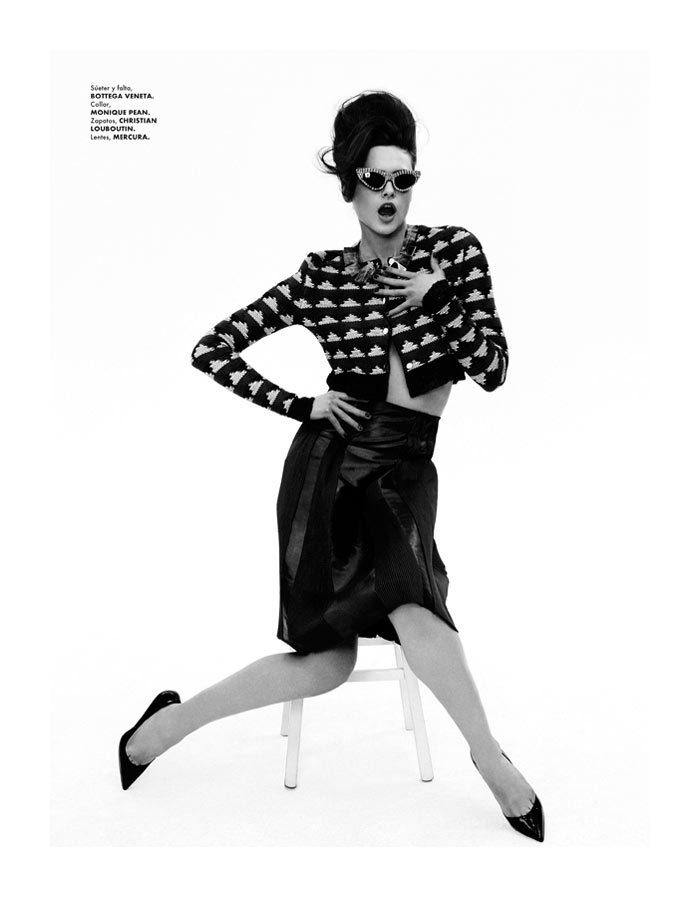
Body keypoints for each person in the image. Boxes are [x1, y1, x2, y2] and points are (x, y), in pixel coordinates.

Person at [118, 90, 544, 842]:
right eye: (373, 179)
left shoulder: (454, 253)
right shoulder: (321, 276)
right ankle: (163, 729)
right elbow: (212, 349)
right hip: (330, 470)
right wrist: (301, 405)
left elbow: (494, 370)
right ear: (349, 183)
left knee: (413, 602)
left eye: (403, 178)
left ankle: (488, 758)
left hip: (405, 468)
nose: (389, 194)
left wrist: (438, 298)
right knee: (327, 665)